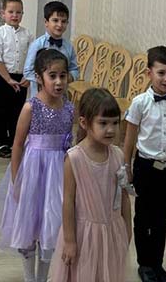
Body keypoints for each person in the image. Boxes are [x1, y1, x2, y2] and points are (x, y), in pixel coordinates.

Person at [0, 49, 74, 282]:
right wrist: (16, 179)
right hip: (33, 172)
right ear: (39, 77)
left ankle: (43, 277)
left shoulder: (69, 108)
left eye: (63, 76)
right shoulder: (31, 107)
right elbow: (17, 144)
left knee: (51, 225)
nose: (58, 82)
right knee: (29, 224)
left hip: (57, 174)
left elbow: (70, 145)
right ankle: (29, 277)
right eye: (52, 76)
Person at [123, 46, 166, 282]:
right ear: (149, 73)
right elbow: (129, 140)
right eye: (161, 73)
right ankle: (145, 265)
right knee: (143, 218)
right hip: (145, 168)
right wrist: (127, 169)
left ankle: (157, 264)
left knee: (161, 219)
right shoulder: (139, 103)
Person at [50, 88, 131, 282]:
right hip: (84, 236)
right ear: (84, 123)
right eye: (103, 123)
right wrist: (70, 240)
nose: (110, 129)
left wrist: (127, 230)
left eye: (115, 123)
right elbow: (68, 202)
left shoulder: (118, 155)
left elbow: (124, 197)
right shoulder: (74, 158)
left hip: (112, 232)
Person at [0, 0, 33, 158]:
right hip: (3, 76)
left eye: (18, 12)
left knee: (18, 110)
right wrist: (8, 79)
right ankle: (2, 143)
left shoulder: (27, 34)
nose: (15, 15)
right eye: (11, 12)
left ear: (22, 14)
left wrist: (28, 76)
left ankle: (15, 142)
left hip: (21, 77)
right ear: (3, 13)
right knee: (3, 110)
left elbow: (32, 57)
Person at [23, 1, 78, 98]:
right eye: (55, 20)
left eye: (63, 21)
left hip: (61, 97)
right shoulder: (37, 45)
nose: (60, 25)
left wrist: (67, 77)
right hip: (40, 97)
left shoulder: (69, 47)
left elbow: (74, 69)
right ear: (46, 22)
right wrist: (47, 80)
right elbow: (28, 71)